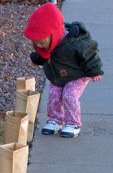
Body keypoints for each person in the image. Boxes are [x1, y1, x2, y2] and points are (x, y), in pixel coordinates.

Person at [23, 3, 103, 138]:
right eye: (35, 42)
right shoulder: (46, 44)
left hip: (78, 74)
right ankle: (55, 120)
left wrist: (95, 70)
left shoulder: (75, 43)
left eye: (41, 42)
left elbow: (90, 54)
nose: (38, 45)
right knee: (54, 96)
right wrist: (36, 59)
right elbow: (44, 55)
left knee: (69, 95)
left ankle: (73, 123)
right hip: (58, 75)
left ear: (53, 35)